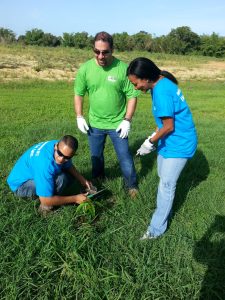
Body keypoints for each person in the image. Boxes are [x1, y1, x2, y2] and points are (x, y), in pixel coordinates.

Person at [127, 57, 198, 239]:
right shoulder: (160, 83)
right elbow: (164, 123)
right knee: (162, 178)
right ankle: (162, 212)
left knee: (167, 185)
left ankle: (156, 229)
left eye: (136, 84)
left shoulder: (162, 92)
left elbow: (169, 126)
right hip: (169, 141)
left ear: (146, 78)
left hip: (180, 142)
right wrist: (154, 136)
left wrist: (149, 143)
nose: (136, 88)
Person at [74, 31, 140, 196]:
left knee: (125, 157)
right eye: (97, 51)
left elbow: (132, 96)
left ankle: (131, 186)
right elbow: (79, 94)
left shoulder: (123, 69)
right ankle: (97, 182)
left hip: (118, 124)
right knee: (96, 157)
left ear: (112, 50)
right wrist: (79, 115)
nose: (101, 56)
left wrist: (127, 120)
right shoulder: (85, 69)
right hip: (95, 124)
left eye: (105, 52)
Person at [7, 135, 92, 213]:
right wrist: (75, 198)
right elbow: (46, 200)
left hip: (34, 173)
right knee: (61, 179)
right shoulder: (44, 164)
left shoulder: (61, 146)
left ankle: (50, 193)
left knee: (70, 176)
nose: (61, 159)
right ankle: (45, 210)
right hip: (20, 186)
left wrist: (83, 180)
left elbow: (69, 166)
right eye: (60, 154)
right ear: (56, 147)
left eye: (67, 157)